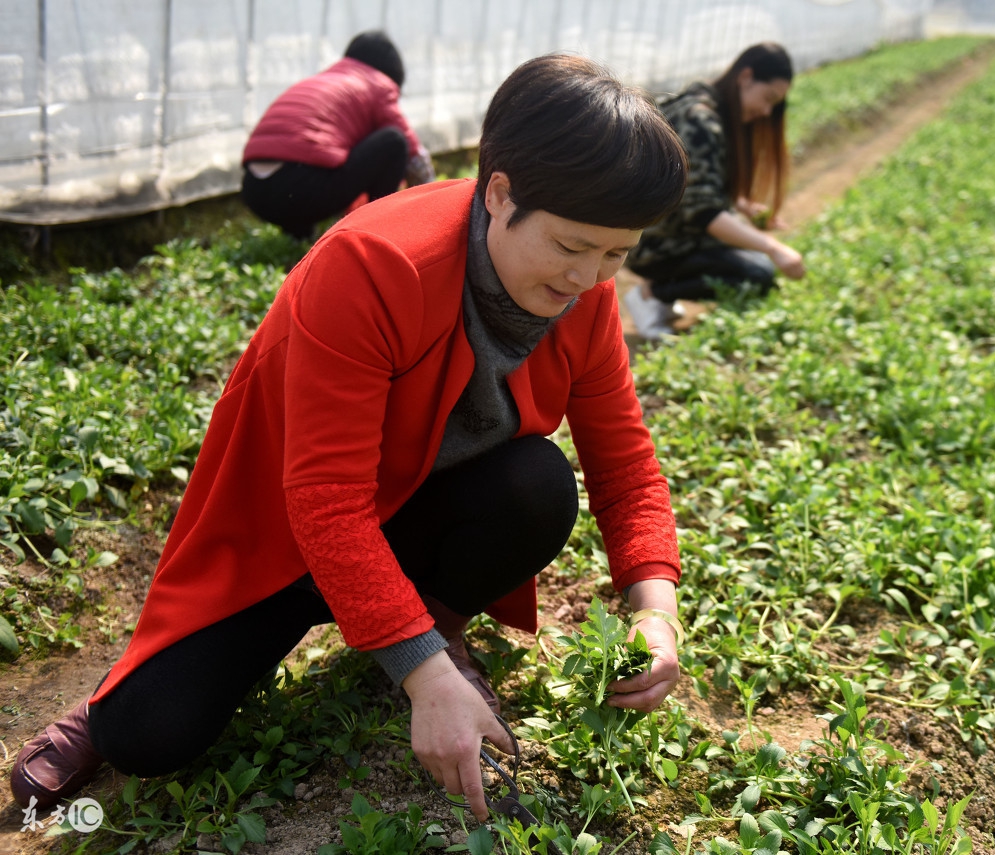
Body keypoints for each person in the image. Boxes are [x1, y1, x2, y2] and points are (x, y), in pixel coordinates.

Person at [10, 54, 689, 824]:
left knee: (537, 483)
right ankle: (107, 707)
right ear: (500, 194)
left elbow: (625, 462)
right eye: (571, 247)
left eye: (616, 254)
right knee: (150, 734)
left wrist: (654, 608)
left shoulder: (587, 297)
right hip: (288, 536)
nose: (590, 278)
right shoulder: (373, 265)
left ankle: (426, 626)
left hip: (413, 516)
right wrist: (429, 684)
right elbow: (325, 500)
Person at [623, 42, 806, 341]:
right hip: (652, 243)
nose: (765, 110)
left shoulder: (704, 105)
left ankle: (662, 295)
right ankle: (652, 294)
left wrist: (745, 207)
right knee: (758, 273)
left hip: (654, 234)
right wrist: (774, 248)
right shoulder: (700, 120)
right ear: (745, 76)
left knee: (754, 262)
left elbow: (696, 184)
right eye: (767, 98)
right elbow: (704, 213)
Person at [240, 31, 436, 240]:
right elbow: (413, 154)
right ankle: (376, 232)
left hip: (254, 190)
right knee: (394, 141)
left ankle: (301, 239)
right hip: (300, 189)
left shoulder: (325, 79)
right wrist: (433, 205)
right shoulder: (380, 84)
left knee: (317, 152)